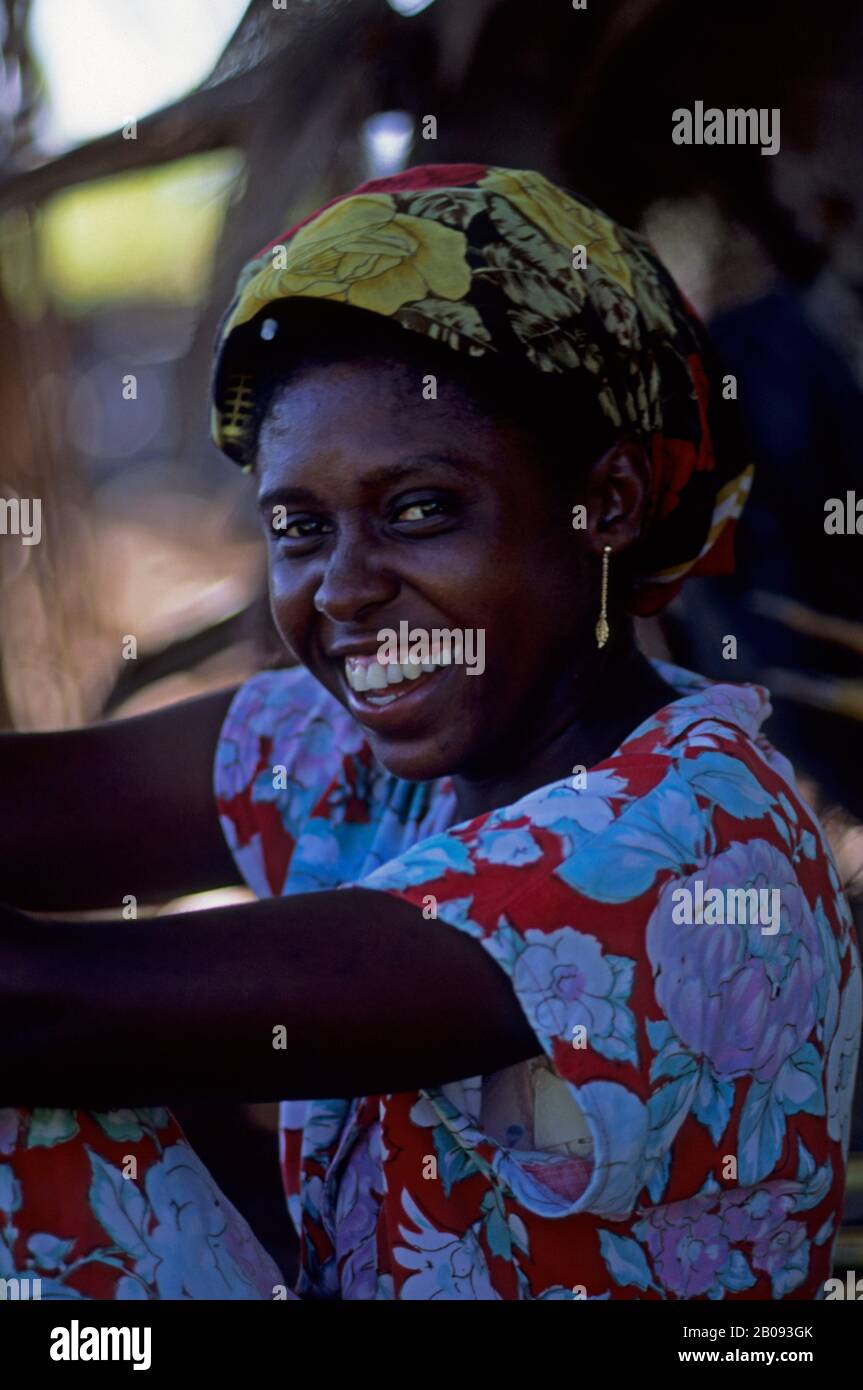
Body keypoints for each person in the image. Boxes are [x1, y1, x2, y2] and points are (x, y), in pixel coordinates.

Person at [1, 165, 859, 1301]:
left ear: (603, 501)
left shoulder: (677, 847)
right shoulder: (380, 751)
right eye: (300, 527)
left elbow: (35, 1007)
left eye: (419, 509)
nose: (343, 588)